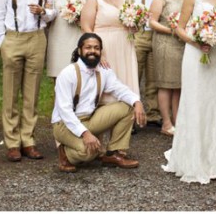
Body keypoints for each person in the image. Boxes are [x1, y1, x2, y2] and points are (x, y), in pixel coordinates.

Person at [162, 0, 216, 184]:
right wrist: (197, 42)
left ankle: (213, 160)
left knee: (213, 104)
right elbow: (180, 28)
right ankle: (191, 160)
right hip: (195, 55)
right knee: (194, 102)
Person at [0, 0, 55, 162]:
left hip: (37, 38)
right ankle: (12, 142)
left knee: (32, 93)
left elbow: (52, 11)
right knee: (10, 93)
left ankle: (28, 140)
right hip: (13, 39)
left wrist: (44, 12)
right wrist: (2, 41)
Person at [52, 33, 146, 173]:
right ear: (80, 50)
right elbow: (64, 111)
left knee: (127, 107)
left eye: (96, 48)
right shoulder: (67, 74)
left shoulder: (103, 71)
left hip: (90, 119)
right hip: (64, 124)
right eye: (88, 47)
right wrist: (85, 134)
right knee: (90, 152)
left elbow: (119, 89)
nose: (92, 51)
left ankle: (113, 153)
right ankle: (64, 153)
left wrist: (137, 102)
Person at [80, 0, 140, 102]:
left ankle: (128, 110)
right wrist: (96, 52)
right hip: (104, 47)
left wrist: (134, 27)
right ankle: (108, 112)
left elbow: (133, 23)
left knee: (126, 79)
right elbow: (86, 27)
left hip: (125, 45)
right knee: (107, 80)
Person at [121, 0, 165, 126]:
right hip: (138, 35)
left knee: (154, 76)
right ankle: (131, 117)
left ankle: (154, 113)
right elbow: (124, 12)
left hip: (156, 35)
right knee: (134, 76)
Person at [148, 0, 187, 137]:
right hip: (165, 43)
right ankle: (166, 123)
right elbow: (152, 22)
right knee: (165, 84)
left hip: (182, 44)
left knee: (178, 84)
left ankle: (177, 120)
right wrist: (172, 30)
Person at [46, 0, 93, 80]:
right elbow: (47, 18)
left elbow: (93, 17)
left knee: (81, 78)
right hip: (58, 39)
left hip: (80, 38)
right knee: (60, 79)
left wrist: (80, 19)